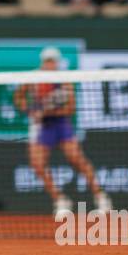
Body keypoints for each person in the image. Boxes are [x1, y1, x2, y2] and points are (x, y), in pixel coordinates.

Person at [13, 47, 111, 218]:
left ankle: (101, 197)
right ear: (42, 62)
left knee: (76, 159)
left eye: (53, 61)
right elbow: (18, 97)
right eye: (47, 60)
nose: (50, 64)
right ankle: (60, 200)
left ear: (57, 62)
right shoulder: (32, 78)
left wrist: (46, 112)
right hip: (42, 126)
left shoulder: (65, 80)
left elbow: (70, 108)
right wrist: (30, 110)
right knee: (37, 164)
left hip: (60, 123)